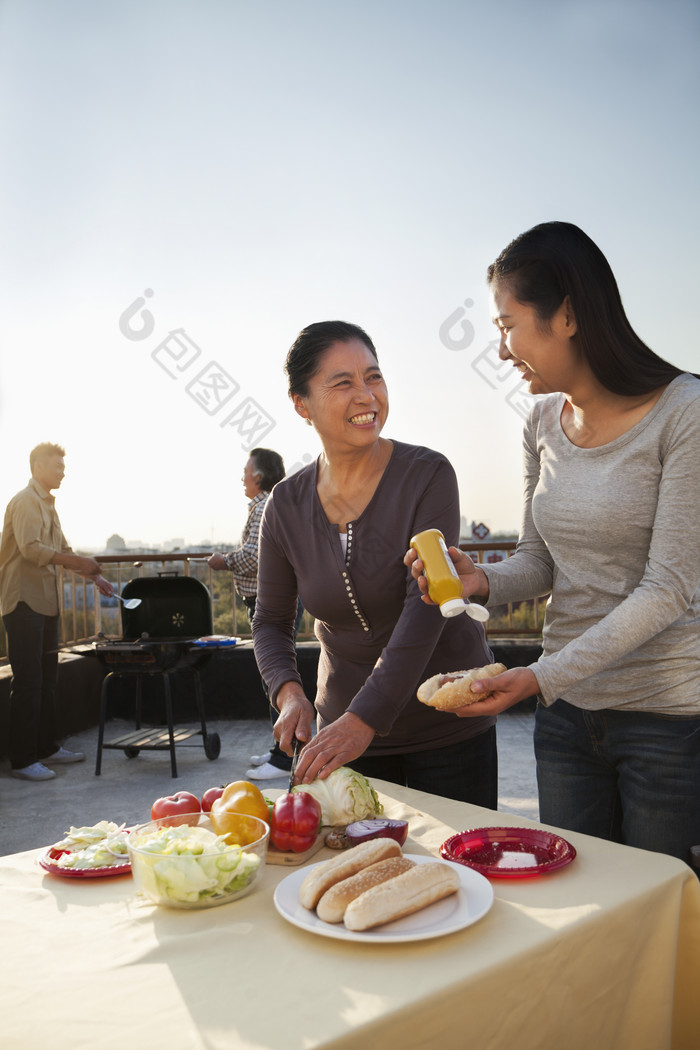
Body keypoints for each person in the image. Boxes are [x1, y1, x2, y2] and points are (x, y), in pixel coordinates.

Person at [407, 221, 700, 864]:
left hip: (663, 720)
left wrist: (538, 678)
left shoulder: (685, 411)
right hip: (567, 719)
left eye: (508, 325)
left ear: (566, 315)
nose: (504, 348)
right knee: (581, 907)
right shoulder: (542, 420)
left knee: (665, 919)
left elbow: (670, 587)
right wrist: (481, 579)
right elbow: (541, 559)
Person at [252, 320, 498, 806]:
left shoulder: (428, 474)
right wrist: (289, 695)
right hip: (341, 735)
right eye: (342, 382)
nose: (366, 396)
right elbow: (271, 621)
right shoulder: (285, 504)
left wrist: (363, 719)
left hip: (446, 727)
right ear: (302, 404)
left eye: (374, 377)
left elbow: (426, 606)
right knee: (354, 872)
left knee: (458, 877)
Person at [1, 443, 113, 781]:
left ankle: (46, 747)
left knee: (48, 679)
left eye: (63, 466)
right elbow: (32, 550)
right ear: (36, 467)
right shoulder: (25, 502)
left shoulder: (48, 505)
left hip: (46, 603)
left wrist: (94, 575)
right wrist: (77, 562)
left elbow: (62, 550)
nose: (62, 472)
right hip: (23, 602)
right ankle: (22, 760)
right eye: (56, 466)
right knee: (28, 682)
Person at [208, 447, 301, 780]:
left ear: (258, 475)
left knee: (277, 678)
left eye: (246, 470)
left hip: (272, 604)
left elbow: (255, 556)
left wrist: (225, 561)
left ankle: (284, 758)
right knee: (272, 679)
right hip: (266, 601)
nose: (242, 476)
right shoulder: (267, 504)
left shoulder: (265, 506)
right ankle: (280, 749)